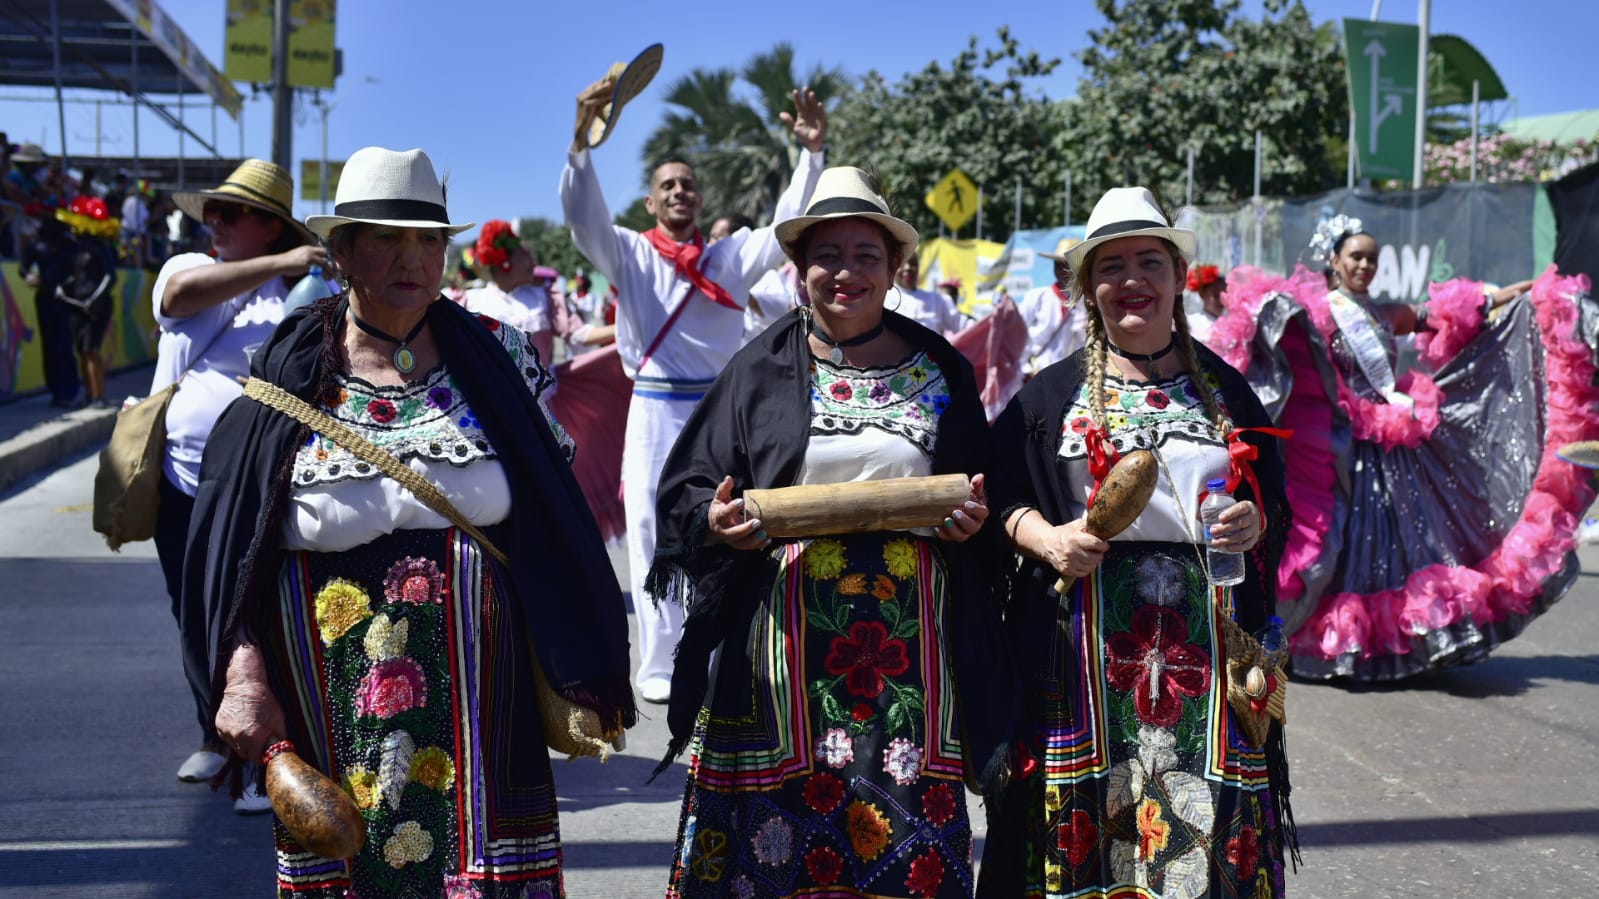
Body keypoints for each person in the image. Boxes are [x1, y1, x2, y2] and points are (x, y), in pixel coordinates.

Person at [190, 146, 636, 896]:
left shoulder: (497, 357)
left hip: (483, 701)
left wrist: (577, 646)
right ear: (340, 252)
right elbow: (231, 542)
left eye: (428, 238)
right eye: (386, 237)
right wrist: (241, 671)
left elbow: (550, 510)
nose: (413, 257)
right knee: (352, 864)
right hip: (329, 693)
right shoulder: (290, 365)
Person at [651, 166, 1018, 898]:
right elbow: (686, 488)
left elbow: (984, 489)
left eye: (866, 255)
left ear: (894, 270)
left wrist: (973, 520)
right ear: (798, 268)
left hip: (911, 655)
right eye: (827, 254)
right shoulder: (757, 368)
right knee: (780, 842)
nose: (845, 272)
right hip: (783, 656)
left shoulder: (939, 367)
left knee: (904, 834)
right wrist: (717, 523)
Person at [983, 187, 1295, 897]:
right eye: (1111, 265)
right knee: (1085, 821)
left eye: (1148, 261)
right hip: (1082, 656)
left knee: (1202, 825)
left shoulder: (1225, 390)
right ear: (1087, 288)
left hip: (1207, 655)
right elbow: (995, 492)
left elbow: (1270, 497)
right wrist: (1045, 538)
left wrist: (1253, 522)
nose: (1131, 279)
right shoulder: (1047, 399)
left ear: (1178, 278)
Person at [561, 75, 826, 704]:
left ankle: (711, 646)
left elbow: (786, 224)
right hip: (652, 406)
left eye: (688, 184)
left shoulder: (726, 258)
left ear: (699, 201)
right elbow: (584, 219)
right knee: (654, 529)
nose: (680, 191)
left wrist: (811, 154)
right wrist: (580, 147)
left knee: (725, 523)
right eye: (667, 185)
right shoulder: (628, 254)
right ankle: (657, 660)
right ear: (651, 203)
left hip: (716, 408)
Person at [1259, 215, 1585, 681]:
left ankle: (1408, 638)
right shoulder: (1321, 312)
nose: (1366, 265)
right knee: (1349, 544)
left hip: (1394, 445)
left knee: (1404, 543)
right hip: (1345, 447)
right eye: (1357, 257)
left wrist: (1514, 297)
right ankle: (1337, 642)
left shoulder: (1384, 313)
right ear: (1334, 261)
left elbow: (1438, 316)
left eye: (1372, 258)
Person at [149, 159, 326, 809]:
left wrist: (301, 269)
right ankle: (214, 736)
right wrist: (280, 264)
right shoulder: (185, 269)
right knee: (191, 610)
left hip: (255, 481)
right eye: (213, 212)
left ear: (270, 224)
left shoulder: (301, 291)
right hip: (180, 476)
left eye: (233, 212)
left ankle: (267, 761)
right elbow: (177, 300)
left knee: (254, 617)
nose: (216, 222)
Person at [52, 197, 121, 407]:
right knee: (82, 350)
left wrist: (94, 300)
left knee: (91, 349)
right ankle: (90, 394)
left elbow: (110, 277)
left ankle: (98, 395)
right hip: (77, 305)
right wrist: (63, 287)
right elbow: (76, 275)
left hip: (95, 307)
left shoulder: (102, 248)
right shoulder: (74, 249)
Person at [463, 219, 555, 363]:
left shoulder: (544, 296)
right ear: (504, 262)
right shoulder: (470, 302)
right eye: (525, 254)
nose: (534, 263)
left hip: (545, 386)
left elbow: (578, 334)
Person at [18, 213, 83, 407]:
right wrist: (30, 276)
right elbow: (23, 268)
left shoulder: (70, 245)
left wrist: (67, 285)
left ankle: (70, 390)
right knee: (50, 346)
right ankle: (57, 391)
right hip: (46, 299)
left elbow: (78, 270)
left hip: (66, 299)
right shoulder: (37, 245)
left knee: (64, 345)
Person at [1015, 237, 1088, 379]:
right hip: (1037, 373)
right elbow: (1017, 335)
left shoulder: (1087, 301)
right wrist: (1026, 369)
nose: (1062, 270)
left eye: (1067, 266)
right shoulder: (1037, 297)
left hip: (1073, 376)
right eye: (1058, 265)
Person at [893, 252, 965, 336]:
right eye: (902, 264)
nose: (908, 267)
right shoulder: (883, 298)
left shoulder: (938, 300)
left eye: (913, 264)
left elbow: (963, 326)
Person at [1184, 262, 1226, 343]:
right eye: (1216, 295)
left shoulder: (1232, 323)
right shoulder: (1191, 322)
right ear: (1202, 294)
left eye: (1224, 295)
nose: (1221, 300)